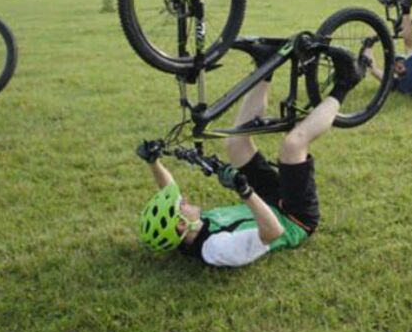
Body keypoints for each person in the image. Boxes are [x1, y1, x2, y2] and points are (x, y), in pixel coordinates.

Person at [135, 43, 364, 267]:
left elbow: (169, 190)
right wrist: (245, 191)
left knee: (235, 143)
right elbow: (274, 232)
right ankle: (346, 82)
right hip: (293, 218)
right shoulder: (217, 249)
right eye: (180, 207)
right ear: (181, 226)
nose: (183, 200)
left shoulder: (186, 231)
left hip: (268, 201)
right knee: (293, 145)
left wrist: (153, 162)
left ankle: (266, 66)